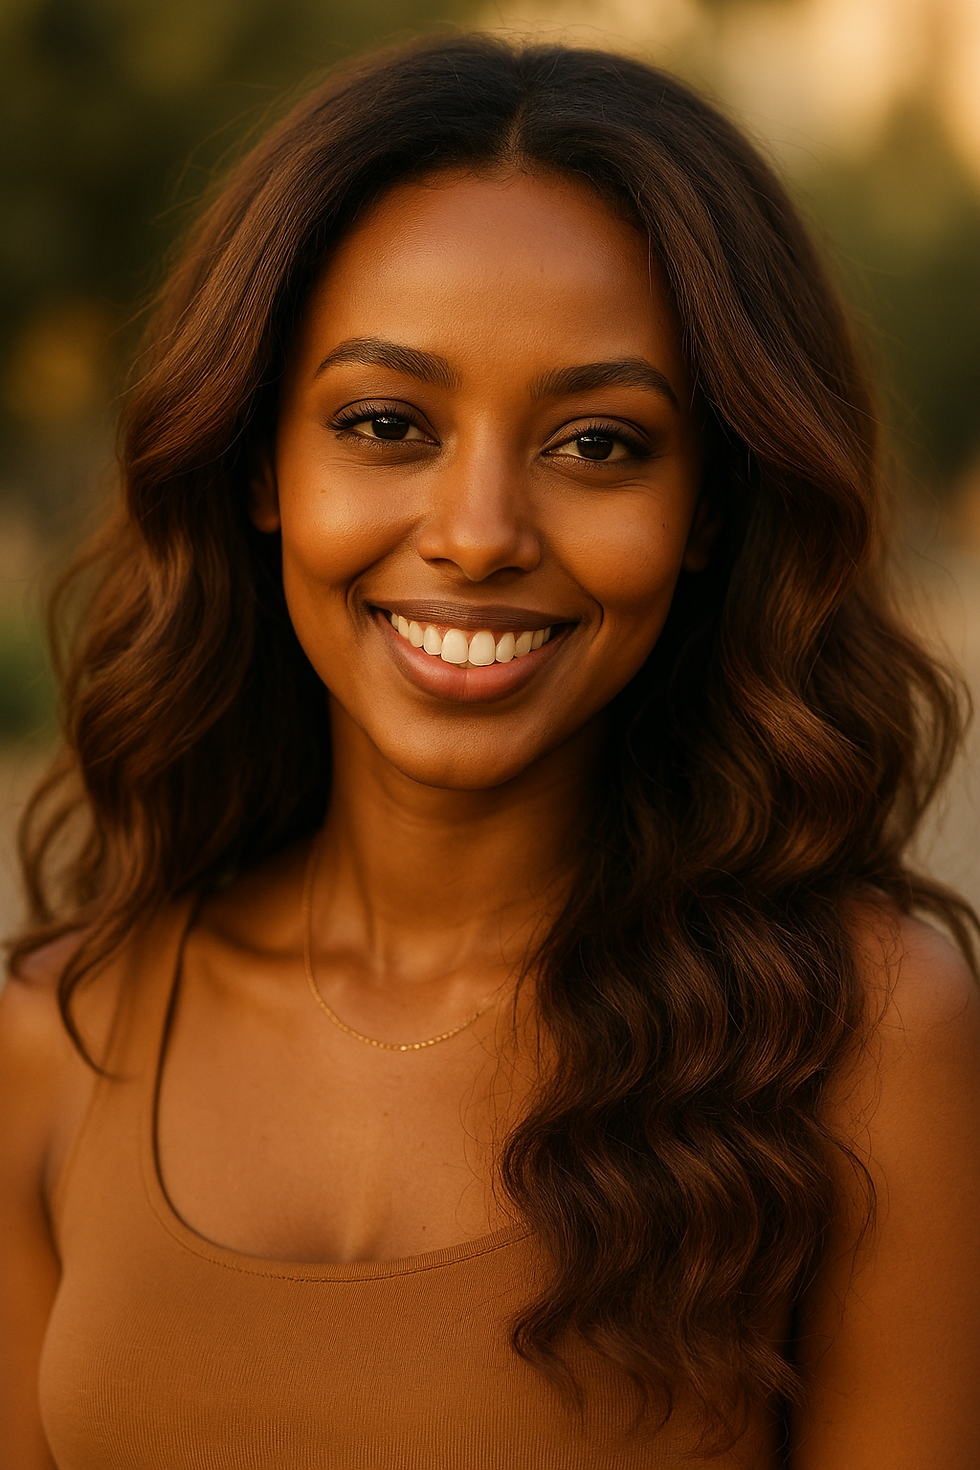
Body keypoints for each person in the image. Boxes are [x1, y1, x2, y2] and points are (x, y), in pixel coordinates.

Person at [2, 33, 979, 1470]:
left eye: (598, 445)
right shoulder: (54, 1035)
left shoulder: (864, 1038)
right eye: (385, 423)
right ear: (263, 464)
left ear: (709, 510)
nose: (477, 534)